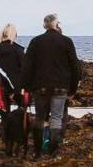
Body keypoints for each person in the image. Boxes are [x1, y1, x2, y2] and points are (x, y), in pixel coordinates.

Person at [23, 14, 80, 153]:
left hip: (40, 86)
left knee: (40, 118)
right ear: (56, 25)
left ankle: (38, 151)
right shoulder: (66, 41)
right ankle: (52, 150)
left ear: (44, 25)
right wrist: (72, 88)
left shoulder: (36, 42)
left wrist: (26, 87)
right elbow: (75, 66)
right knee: (56, 117)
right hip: (61, 86)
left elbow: (27, 66)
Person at [0, 24, 31, 152]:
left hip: (1, 86)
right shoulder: (18, 50)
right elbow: (25, 69)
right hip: (18, 86)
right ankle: (20, 140)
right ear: (14, 35)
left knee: (4, 114)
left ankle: (6, 138)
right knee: (22, 114)